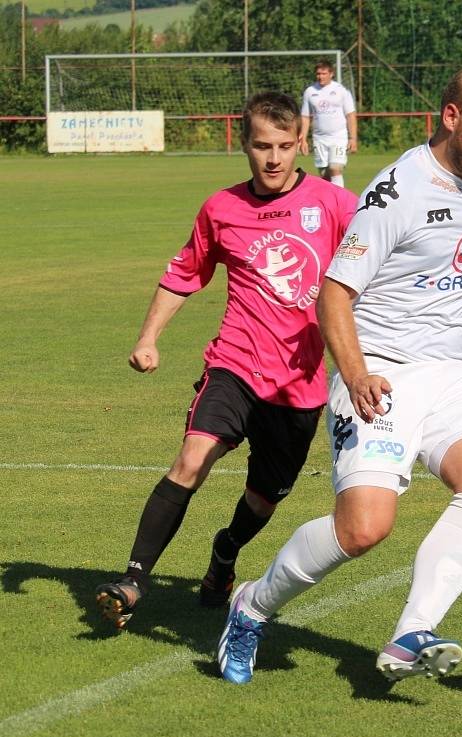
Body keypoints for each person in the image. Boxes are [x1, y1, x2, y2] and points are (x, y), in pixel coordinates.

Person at [217, 64, 462, 685]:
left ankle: (411, 634)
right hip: (378, 371)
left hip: (449, 372)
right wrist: (354, 376)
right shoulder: (397, 192)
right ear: (452, 117)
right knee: (363, 529)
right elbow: (333, 294)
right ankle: (252, 606)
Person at [95, 91, 357, 630]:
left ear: (300, 142)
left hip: (301, 387)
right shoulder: (222, 208)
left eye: (285, 146)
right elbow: (184, 274)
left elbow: (375, 262)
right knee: (191, 460)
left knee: (263, 500)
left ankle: (225, 552)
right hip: (234, 365)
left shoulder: (334, 204)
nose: (274, 158)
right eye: (262, 146)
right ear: (244, 144)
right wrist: (148, 338)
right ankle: (134, 579)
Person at [299, 60, 358, 188]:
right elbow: (305, 117)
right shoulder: (310, 92)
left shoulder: (341, 91)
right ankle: (327, 201)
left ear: (331, 74)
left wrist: (353, 138)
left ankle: (340, 201)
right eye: (318, 74)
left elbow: (350, 115)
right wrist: (303, 139)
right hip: (319, 139)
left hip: (338, 137)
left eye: (324, 73)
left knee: (335, 168)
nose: (320, 76)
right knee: (325, 174)